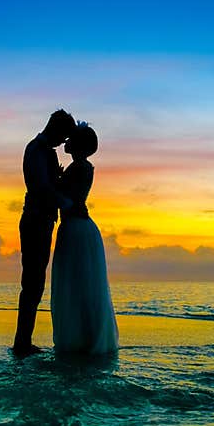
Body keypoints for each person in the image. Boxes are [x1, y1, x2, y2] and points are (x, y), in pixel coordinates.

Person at [12, 109, 77, 357]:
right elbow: (40, 188)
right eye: (63, 137)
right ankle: (22, 343)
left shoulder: (45, 151)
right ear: (55, 129)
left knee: (35, 282)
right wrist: (68, 203)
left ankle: (23, 341)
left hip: (42, 220)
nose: (63, 143)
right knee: (32, 283)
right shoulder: (37, 149)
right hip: (35, 220)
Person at [50, 121, 119, 354]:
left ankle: (80, 336)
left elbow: (65, 195)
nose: (66, 142)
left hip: (75, 227)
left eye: (71, 139)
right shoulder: (82, 167)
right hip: (78, 226)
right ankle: (85, 334)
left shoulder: (79, 168)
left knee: (74, 281)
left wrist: (54, 182)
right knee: (81, 282)